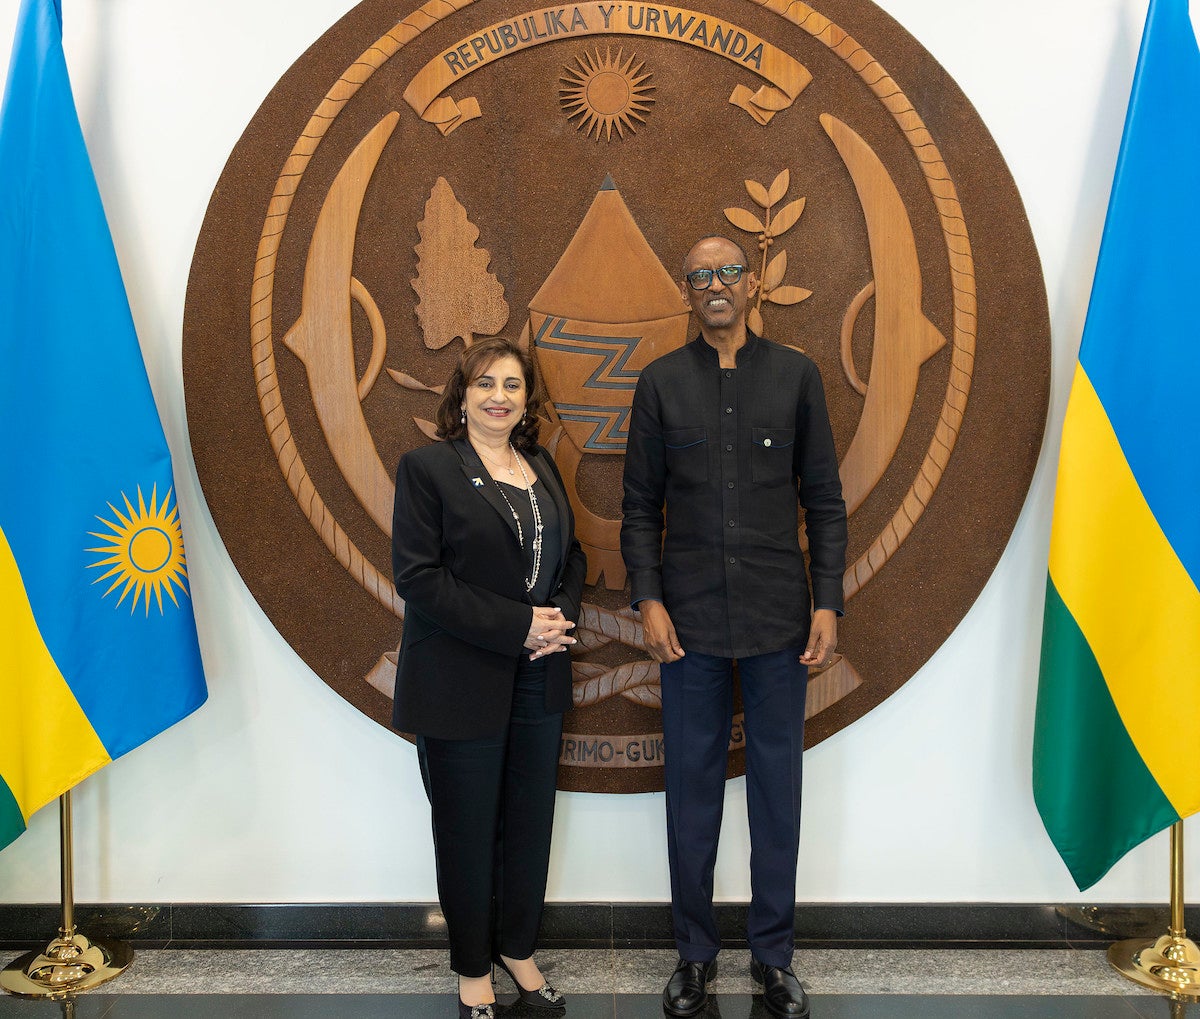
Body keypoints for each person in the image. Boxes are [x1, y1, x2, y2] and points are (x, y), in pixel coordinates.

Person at [620, 236, 848, 1019]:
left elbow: (823, 500)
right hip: (686, 627)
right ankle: (693, 954)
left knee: (777, 792)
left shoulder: (796, 376)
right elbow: (639, 507)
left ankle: (775, 958)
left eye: (726, 273)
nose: (713, 285)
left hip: (782, 621)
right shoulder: (659, 384)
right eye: (698, 276)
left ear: (752, 284)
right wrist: (647, 599)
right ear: (687, 292)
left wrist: (827, 602)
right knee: (691, 791)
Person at [392, 336, 586, 1019]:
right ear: (462, 394)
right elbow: (418, 578)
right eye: (486, 384)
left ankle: (518, 949)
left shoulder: (540, 466)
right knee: (468, 828)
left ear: (527, 399)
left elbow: (573, 557)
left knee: (529, 823)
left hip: (539, 674)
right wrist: (517, 625)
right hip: (460, 676)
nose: (500, 396)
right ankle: (472, 967)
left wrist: (557, 618)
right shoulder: (428, 468)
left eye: (512, 384)